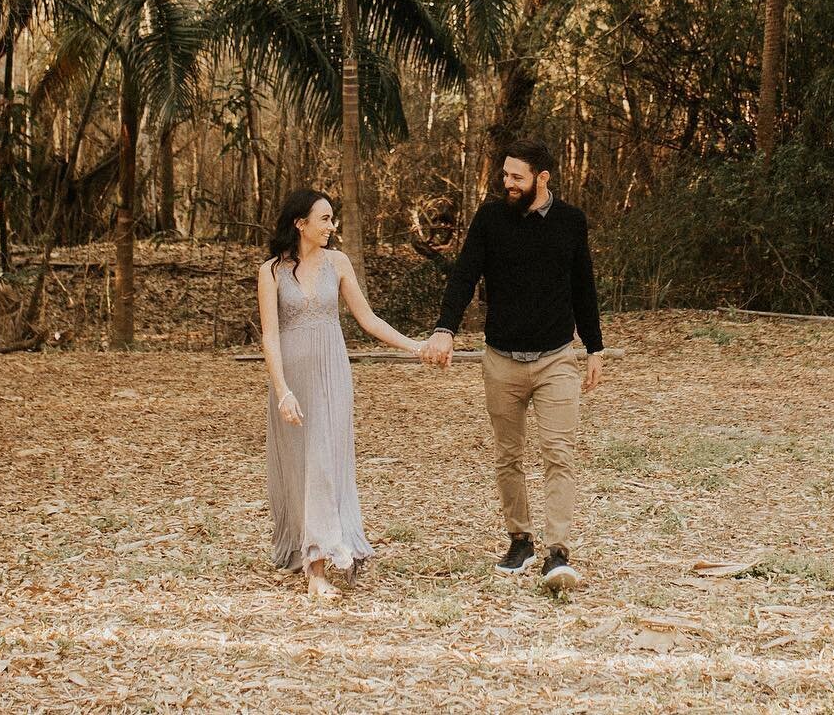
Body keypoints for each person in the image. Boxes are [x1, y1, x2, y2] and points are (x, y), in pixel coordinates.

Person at [420, 139, 605, 590]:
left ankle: (557, 552)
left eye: (517, 177)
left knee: (559, 454)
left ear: (542, 178)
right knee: (508, 456)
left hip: (556, 359)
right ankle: (520, 539)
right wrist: (445, 327)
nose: (508, 183)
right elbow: (465, 273)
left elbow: (583, 284)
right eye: (505, 175)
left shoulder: (570, 222)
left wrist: (594, 347)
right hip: (501, 359)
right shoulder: (490, 219)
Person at [258, 187, 422, 597]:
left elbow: (368, 320)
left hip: (332, 375)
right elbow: (270, 337)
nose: (331, 227)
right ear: (301, 223)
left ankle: (325, 559)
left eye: (332, 219)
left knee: (326, 462)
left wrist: (416, 348)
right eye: (324, 219)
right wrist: (282, 391)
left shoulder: (338, 263)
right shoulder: (271, 272)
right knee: (300, 466)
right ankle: (311, 562)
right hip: (293, 381)